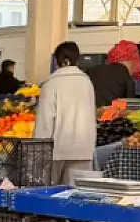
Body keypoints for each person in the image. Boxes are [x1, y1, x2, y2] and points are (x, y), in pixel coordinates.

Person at [34, 41, 97, 183]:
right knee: (75, 197)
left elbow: (45, 121)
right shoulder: (87, 82)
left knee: (50, 196)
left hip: (57, 151)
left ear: (60, 61)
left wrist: (38, 151)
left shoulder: (52, 83)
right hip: (84, 149)